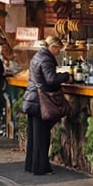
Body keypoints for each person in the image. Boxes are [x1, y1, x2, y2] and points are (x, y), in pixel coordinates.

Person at [21, 36, 69, 175]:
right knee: (42, 136)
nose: (58, 52)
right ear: (53, 47)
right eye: (58, 49)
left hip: (32, 99)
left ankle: (31, 164)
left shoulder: (38, 56)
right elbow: (51, 79)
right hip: (41, 102)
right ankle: (41, 167)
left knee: (34, 136)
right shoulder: (47, 59)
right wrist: (66, 76)